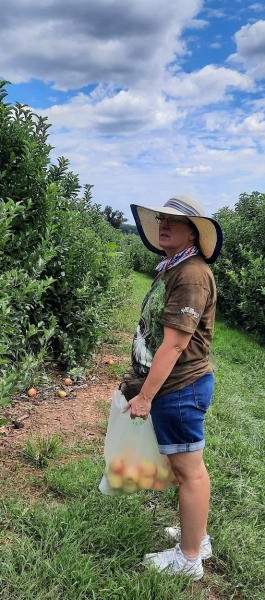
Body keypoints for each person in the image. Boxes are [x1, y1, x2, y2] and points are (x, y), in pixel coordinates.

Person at [120, 195, 223, 581]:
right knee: (186, 469)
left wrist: (146, 395)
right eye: (161, 219)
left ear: (193, 232)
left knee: (189, 470)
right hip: (178, 387)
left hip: (181, 388)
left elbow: (176, 343)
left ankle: (190, 557)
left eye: (173, 221)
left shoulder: (191, 274)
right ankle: (197, 536)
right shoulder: (174, 266)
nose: (163, 225)